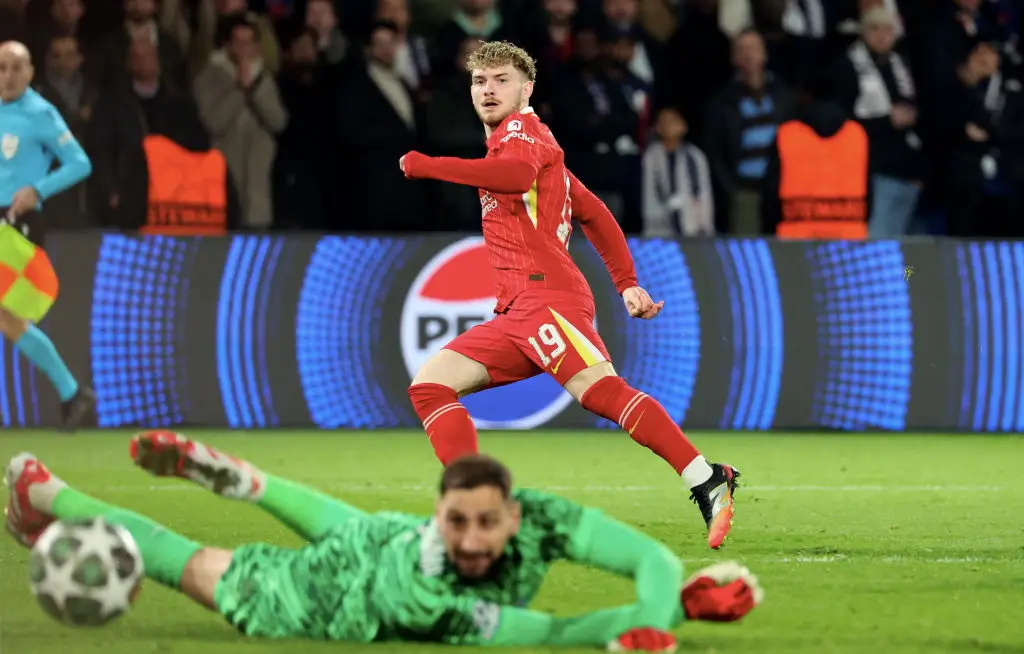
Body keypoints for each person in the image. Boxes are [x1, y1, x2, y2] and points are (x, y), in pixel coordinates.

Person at [399, 41, 738, 549]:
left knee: (599, 391)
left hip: (546, 298)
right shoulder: (530, 149)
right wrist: (626, 283)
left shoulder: (523, 132)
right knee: (430, 386)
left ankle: (705, 477)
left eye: (501, 80)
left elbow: (512, 178)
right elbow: (595, 213)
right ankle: (478, 502)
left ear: (526, 88)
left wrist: (430, 165)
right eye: (479, 82)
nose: (489, 90)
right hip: (517, 310)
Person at [4, 431, 763, 650]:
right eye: (456, 521)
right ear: (440, 514)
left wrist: (663, 605)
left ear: (516, 515)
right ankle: (54, 500)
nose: (470, 538)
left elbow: (648, 560)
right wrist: (664, 621)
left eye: (483, 524)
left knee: (349, 527)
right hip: (342, 599)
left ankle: (43, 494)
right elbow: (560, 632)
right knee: (178, 562)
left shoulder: (546, 515)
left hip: (381, 538)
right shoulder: (439, 600)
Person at [0, 41, 95, 429]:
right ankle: (73, 393)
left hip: (16, 221)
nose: (8, 75)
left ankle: (73, 392)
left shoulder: (40, 113)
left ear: (31, 72)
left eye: (16, 68)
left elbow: (80, 163)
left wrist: (38, 190)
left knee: (7, 317)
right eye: (2, 67)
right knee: (7, 319)